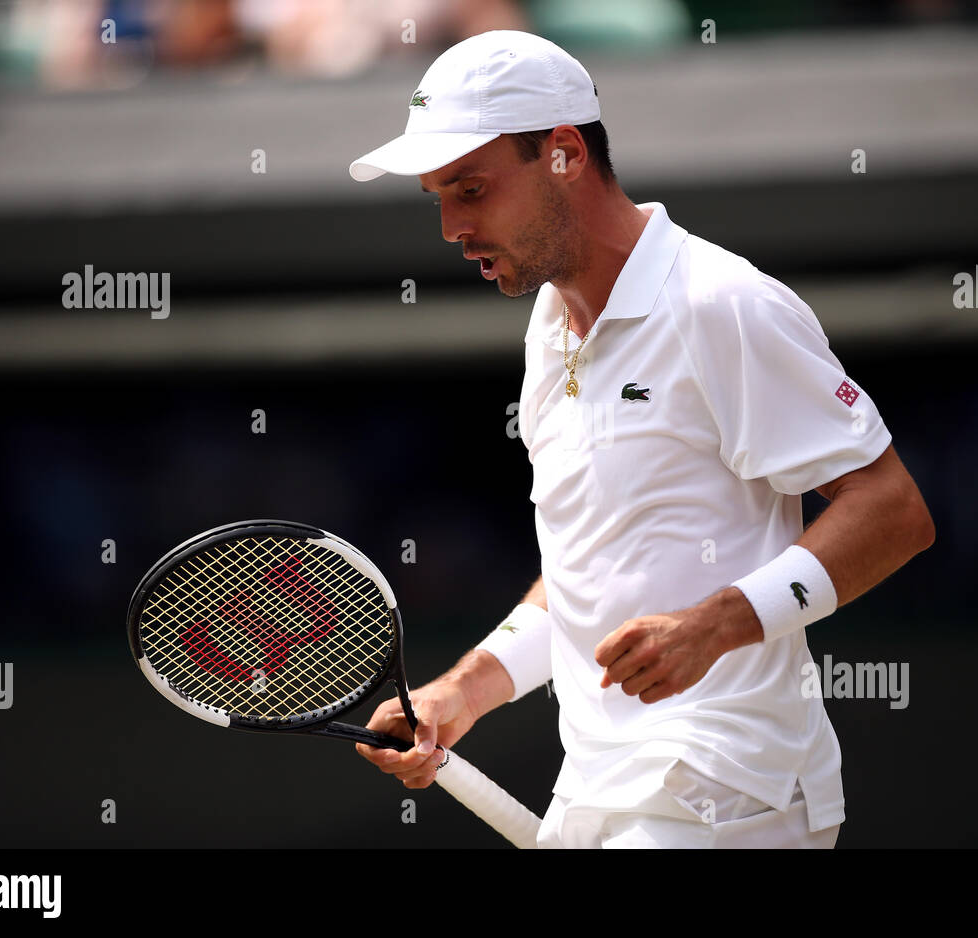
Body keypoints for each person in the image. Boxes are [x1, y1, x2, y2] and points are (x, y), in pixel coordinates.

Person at [348, 30, 934, 848]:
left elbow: (894, 510)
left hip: (727, 789)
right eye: (437, 196)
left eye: (471, 189)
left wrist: (718, 624)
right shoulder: (547, 330)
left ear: (561, 155)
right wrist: (464, 692)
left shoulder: (721, 304)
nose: (450, 226)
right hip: (600, 795)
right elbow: (589, 572)